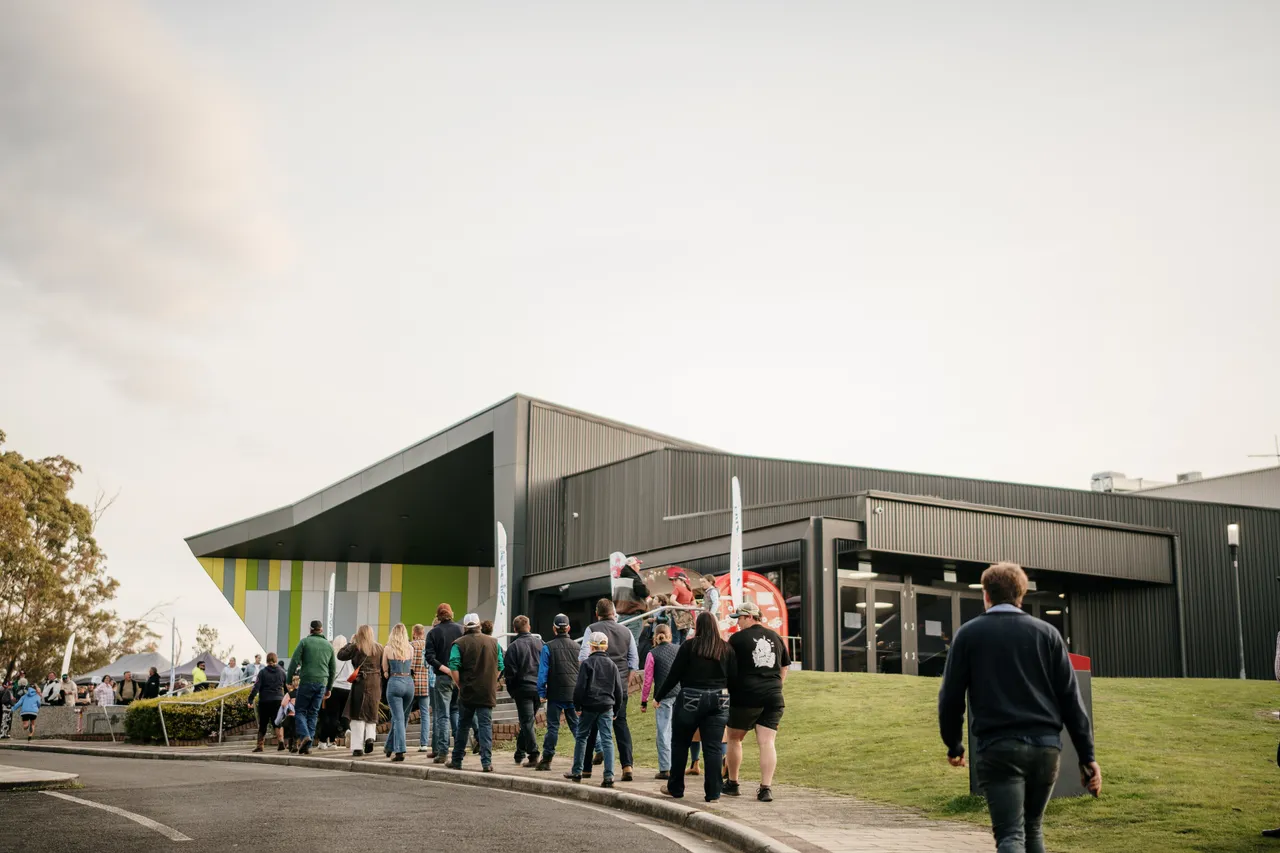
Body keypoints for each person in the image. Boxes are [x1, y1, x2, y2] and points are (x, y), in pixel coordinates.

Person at [939, 562, 1100, 853]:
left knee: (1010, 834)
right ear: (1021, 595)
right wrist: (1087, 757)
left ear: (986, 594)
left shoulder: (968, 635)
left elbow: (951, 696)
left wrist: (954, 745)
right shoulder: (1047, 634)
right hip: (1045, 748)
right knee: (1032, 828)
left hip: (998, 747)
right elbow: (1070, 699)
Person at [656, 610, 737, 803]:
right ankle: (713, 792)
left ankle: (676, 787)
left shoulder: (689, 646)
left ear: (697, 626)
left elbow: (674, 675)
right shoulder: (726, 648)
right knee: (713, 747)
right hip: (720, 698)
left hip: (691, 697)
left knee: (680, 743)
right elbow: (734, 679)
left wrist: (658, 696)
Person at [725, 600, 791, 802]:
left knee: (734, 738)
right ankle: (765, 789)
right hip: (773, 696)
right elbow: (784, 667)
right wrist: (776, 686)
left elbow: (728, 668)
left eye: (739, 618)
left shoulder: (737, 639)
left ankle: (733, 783)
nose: (737, 623)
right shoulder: (776, 637)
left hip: (745, 695)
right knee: (767, 742)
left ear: (749, 617)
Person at [578, 598, 638, 781]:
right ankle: (627, 766)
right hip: (619, 688)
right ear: (614, 613)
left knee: (591, 728)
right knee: (621, 725)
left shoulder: (591, 629)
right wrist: (625, 683)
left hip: (595, 689)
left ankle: (586, 768)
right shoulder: (627, 631)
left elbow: (583, 657)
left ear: (597, 613)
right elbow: (633, 661)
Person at [564, 632, 623, 787]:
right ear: (606, 646)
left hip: (589, 706)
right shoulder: (612, 665)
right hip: (606, 706)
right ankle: (609, 776)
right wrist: (616, 709)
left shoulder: (587, 664)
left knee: (581, 737)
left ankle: (577, 771)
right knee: (607, 739)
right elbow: (618, 690)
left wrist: (577, 706)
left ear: (591, 646)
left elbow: (580, 688)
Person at [447, 612, 503, 771]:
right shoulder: (493, 642)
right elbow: (500, 665)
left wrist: (459, 684)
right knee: (485, 726)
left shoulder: (459, 644)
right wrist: (491, 681)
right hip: (486, 691)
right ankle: (486, 762)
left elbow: (453, 666)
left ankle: (457, 760)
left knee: (463, 725)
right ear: (479, 625)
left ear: (465, 627)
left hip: (467, 690)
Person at [535, 613, 580, 771]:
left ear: (554, 629)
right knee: (576, 727)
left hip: (555, 693)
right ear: (568, 628)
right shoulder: (577, 647)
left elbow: (542, 674)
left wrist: (541, 692)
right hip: (573, 693)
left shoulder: (547, 647)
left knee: (553, 727)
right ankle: (586, 756)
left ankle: (547, 759)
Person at [287, 620, 337, 756]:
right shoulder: (329, 646)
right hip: (322, 683)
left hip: (307, 681)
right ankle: (307, 746)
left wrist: (288, 679)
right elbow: (333, 669)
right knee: (313, 713)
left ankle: (305, 736)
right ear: (321, 630)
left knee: (300, 711)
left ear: (310, 630)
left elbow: (294, 661)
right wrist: (329, 688)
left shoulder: (304, 642)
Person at [503, 615, 545, 768]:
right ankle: (519, 753)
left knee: (527, 722)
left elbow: (510, 673)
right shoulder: (541, 644)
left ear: (515, 629)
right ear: (529, 627)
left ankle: (533, 754)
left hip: (523, 688)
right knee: (528, 721)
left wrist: (512, 691)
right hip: (538, 688)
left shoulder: (513, 647)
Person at [641, 623, 680, 779]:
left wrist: (644, 701)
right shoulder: (678, 649)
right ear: (670, 636)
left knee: (663, 733)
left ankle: (665, 768)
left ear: (655, 638)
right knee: (678, 732)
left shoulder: (652, 654)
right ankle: (678, 766)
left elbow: (647, 680)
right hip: (680, 696)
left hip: (663, 698)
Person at [425, 603, 463, 763]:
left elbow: (429, 657)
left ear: (438, 616)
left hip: (442, 677)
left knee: (442, 715)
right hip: (459, 677)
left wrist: (444, 669)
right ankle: (460, 748)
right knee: (456, 712)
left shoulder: (433, 633)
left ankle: (442, 752)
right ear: (451, 613)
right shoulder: (461, 630)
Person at [338, 624, 384, 757]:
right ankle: (370, 737)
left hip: (360, 682)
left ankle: (357, 747)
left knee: (357, 714)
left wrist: (350, 643)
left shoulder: (356, 647)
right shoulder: (379, 648)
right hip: (375, 682)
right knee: (372, 710)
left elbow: (340, 655)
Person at [382, 623, 415, 762]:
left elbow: (385, 670)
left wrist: (387, 672)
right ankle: (389, 746)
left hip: (395, 682)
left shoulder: (388, 648)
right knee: (402, 717)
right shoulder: (410, 648)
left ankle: (400, 750)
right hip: (409, 683)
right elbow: (411, 666)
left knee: (398, 718)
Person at [247, 652, 287, 753]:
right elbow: (286, 688)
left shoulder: (262, 672)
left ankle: (260, 745)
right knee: (277, 722)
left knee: (263, 723)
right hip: (278, 700)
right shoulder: (282, 672)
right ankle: (281, 741)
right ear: (276, 660)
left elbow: (256, 687)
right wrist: (288, 699)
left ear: (267, 660)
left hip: (265, 701)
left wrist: (250, 699)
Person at [319, 635, 353, 751]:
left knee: (332, 716)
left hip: (334, 688)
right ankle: (347, 730)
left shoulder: (332, 657)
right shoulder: (350, 658)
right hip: (348, 688)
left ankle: (330, 742)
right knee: (345, 714)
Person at [409, 624, 432, 754]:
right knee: (425, 714)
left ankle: (399, 742)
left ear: (414, 633)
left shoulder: (411, 646)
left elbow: (409, 665)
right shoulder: (429, 645)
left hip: (411, 683)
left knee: (405, 713)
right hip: (425, 683)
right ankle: (424, 744)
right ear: (423, 632)